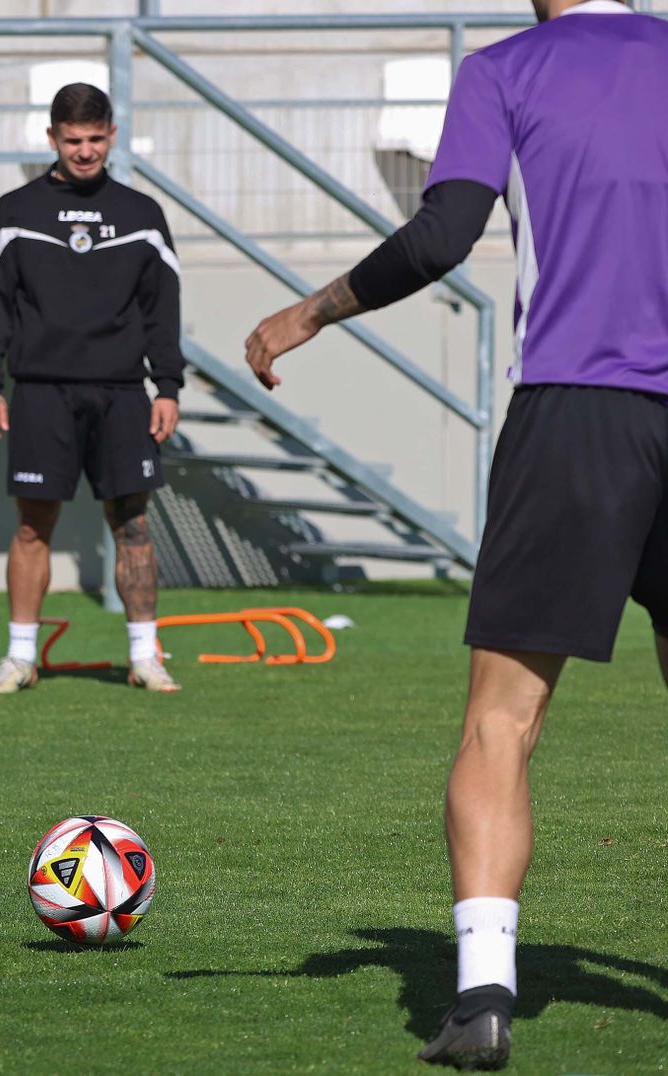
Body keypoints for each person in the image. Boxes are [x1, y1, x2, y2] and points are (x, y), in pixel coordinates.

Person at [244, 1, 668, 1067]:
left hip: (577, 410)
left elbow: (443, 234)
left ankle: (482, 993)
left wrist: (307, 312)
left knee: (501, 721)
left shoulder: (505, 70)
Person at [0, 82, 185, 696]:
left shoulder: (143, 215)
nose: (85, 151)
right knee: (33, 525)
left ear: (112, 136)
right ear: (52, 139)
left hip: (122, 392)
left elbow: (161, 309)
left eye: (95, 139)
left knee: (132, 523)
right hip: (40, 390)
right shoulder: (13, 213)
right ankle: (19, 657)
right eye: (73, 140)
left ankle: (145, 656)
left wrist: (167, 385)